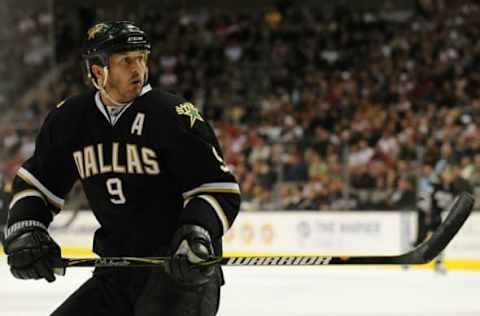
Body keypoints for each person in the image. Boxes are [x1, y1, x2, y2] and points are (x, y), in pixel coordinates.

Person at [2, 21, 241, 316]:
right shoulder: (70, 119)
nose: (138, 69)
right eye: (126, 60)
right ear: (97, 69)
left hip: (179, 274)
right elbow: (37, 184)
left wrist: (198, 232)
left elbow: (218, 188)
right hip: (114, 272)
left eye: (141, 58)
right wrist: (26, 228)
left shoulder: (173, 114)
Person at [415, 164, 472, 273]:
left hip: (438, 216)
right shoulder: (434, 185)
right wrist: (426, 212)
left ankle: (439, 263)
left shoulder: (453, 188)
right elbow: (423, 199)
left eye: (449, 173)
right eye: (446, 172)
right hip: (428, 215)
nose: (448, 175)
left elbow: (454, 203)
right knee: (420, 239)